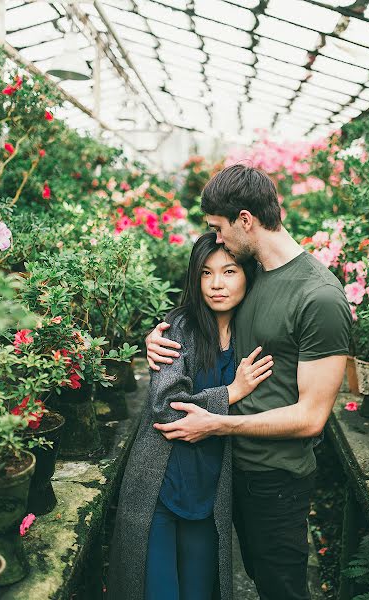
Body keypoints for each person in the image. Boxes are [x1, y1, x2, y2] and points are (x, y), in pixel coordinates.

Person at [146, 164, 352, 600]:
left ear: (245, 220)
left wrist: (218, 422)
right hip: (230, 472)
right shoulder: (255, 274)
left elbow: (312, 417)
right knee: (253, 578)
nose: (217, 240)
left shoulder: (320, 296)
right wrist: (159, 338)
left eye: (218, 229)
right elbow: (208, 318)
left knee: (282, 589)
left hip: (276, 479)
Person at [108, 232, 274, 600]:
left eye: (229, 271)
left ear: (247, 274)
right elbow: (168, 407)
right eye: (205, 273)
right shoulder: (179, 327)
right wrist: (231, 392)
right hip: (162, 486)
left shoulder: (254, 331)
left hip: (210, 494)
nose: (216, 284)